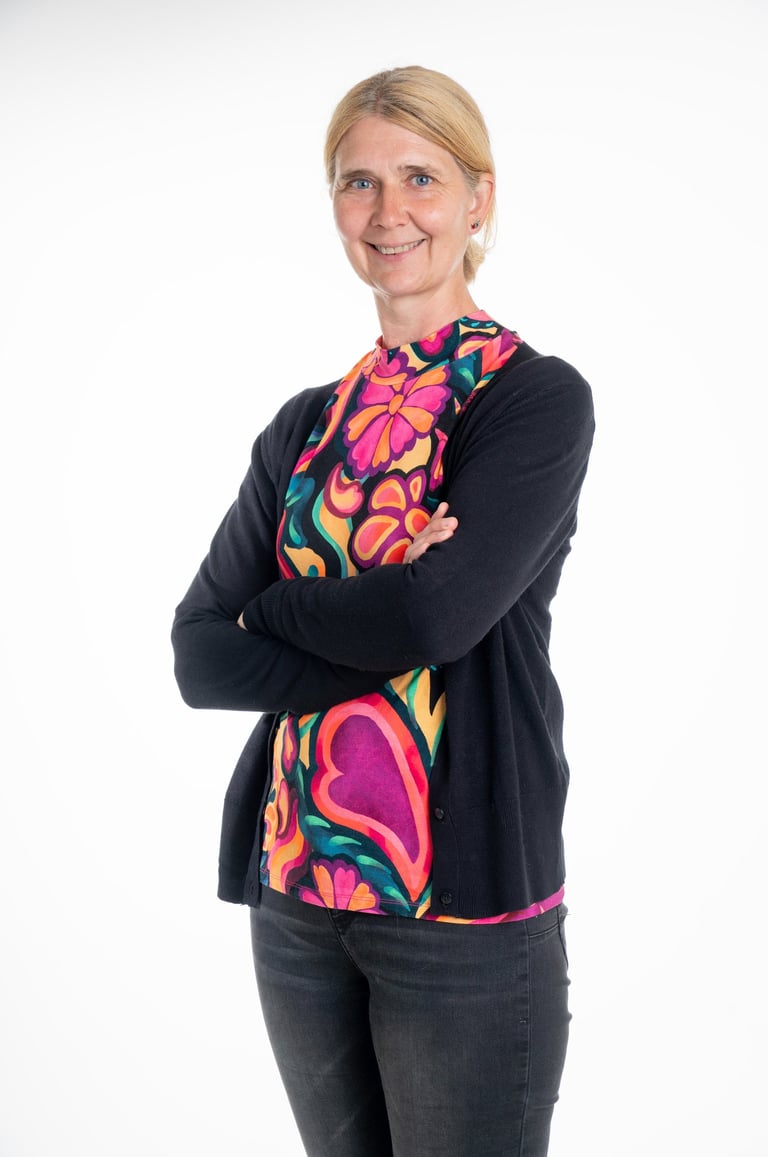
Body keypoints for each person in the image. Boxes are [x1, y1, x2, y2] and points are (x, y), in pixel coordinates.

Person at [172, 64, 594, 1157]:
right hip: (296, 893)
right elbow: (198, 657)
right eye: (359, 182)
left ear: (479, 198)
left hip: (460, 919)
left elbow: (437, 622)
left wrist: (277, 606)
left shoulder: (533, 401)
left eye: (421, 177)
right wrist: (384, 597)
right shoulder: (303, 425)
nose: (389, 211)